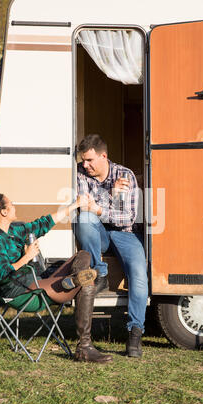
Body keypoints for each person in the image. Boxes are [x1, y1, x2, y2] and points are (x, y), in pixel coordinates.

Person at [0, 193, 113, 364]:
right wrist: (26, 257)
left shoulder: (15, 230)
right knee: (87, 284)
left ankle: (72, 280)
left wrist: (74, 205)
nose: (14, 206)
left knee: (83, 255)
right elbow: (2, 273)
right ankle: (84, 348)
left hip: (38, 282)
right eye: (11, 204)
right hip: (21, 291)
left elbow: (43, 223)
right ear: (4, 212)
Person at [75, 134, 148, 358]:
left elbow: (128, 218)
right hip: (100, 231)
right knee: (84, 220)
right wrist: (112, 196)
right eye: (83, 160)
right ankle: (101, 272)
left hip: (126, 234)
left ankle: (135, 332)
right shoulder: (79, 172)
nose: (85, 165)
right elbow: (85, 208)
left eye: (89, 160)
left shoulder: (124, 175)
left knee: (138, 274)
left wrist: (100, 206)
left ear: (103, 156)